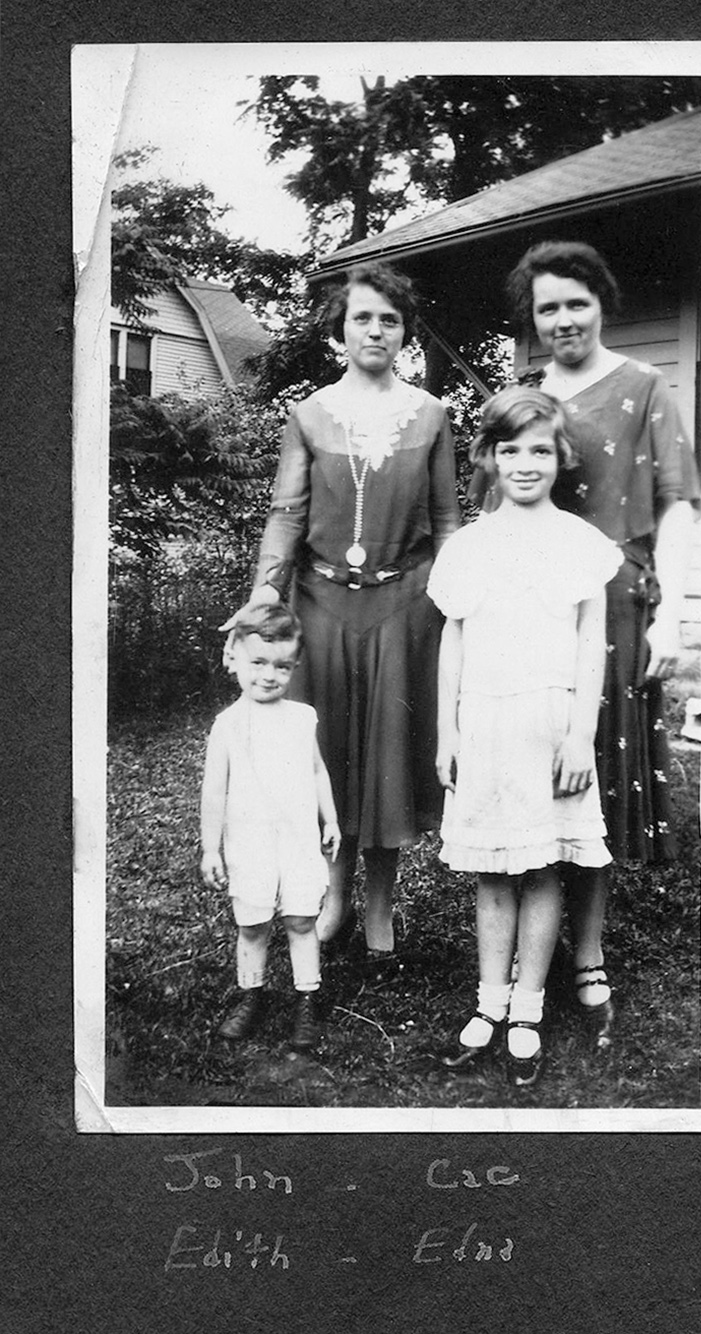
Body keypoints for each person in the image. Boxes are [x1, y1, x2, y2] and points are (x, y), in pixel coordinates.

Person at [226, 262, 460, 972]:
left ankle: (381, 901)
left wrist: (459, 605)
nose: (376, 329)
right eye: (363, 317)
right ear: (340, 329)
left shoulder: (431, 415)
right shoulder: (309, 415)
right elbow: (286, 513)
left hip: (404, 604)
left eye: (389, 319)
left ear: (404, 332)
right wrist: (266, 594)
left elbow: (449, 519)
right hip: (321, 603)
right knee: (324, 754)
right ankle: (332, 898)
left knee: (389, 754)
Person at [503, 239, 701, 1044]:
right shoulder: (526, 401)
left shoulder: (646, 387)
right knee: (536, 772)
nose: (562, 320)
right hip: (534, 611)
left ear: (601, 304)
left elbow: (678, 503)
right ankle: (528, 956)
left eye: (574, 303)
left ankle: (586, 957)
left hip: (618, 609)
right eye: (547, 308)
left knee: (599, 785)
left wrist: (670, 613)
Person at [428, 385, 622, 1088]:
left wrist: (580, 734)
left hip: (549, 725)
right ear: (489, 456)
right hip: (483, 721)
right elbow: (452, 640)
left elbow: (590, 641)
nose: (527, 462)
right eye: (511, 449)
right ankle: (489, 1001)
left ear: (560, 456)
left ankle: (529, 1007)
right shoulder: (469, 548)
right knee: (492, 871)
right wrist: (446, 728)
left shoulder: (580, 545)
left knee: (541, 866)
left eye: (541, 449)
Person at [201, 604, 341, 1048]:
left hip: (298, 841)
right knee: (253, 924)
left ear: (295, 666)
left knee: (302, 920)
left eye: (282, 666)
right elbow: (214, 791)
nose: (268, 675)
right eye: (258, 662)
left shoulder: (302, 718)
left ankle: (307, 999)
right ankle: (252, 994)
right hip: (250, 843)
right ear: (234, 659)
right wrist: (210, 848)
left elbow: (318, 771)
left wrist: (331, 818)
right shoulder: (227, 726)